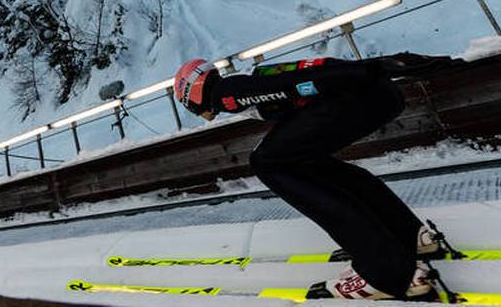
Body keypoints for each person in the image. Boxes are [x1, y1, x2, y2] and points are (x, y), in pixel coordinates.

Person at [173, 53, 455, 301]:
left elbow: (297, 82)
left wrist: (373, 67)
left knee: (266, 163)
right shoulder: (243, 82)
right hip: (371, 93)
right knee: (308, 164)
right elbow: (310, 75)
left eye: (188, 104)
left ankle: (386, 273)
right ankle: (409, 235)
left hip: (356, 95)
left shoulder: (228, 93)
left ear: (192, 93)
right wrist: (372, 69)